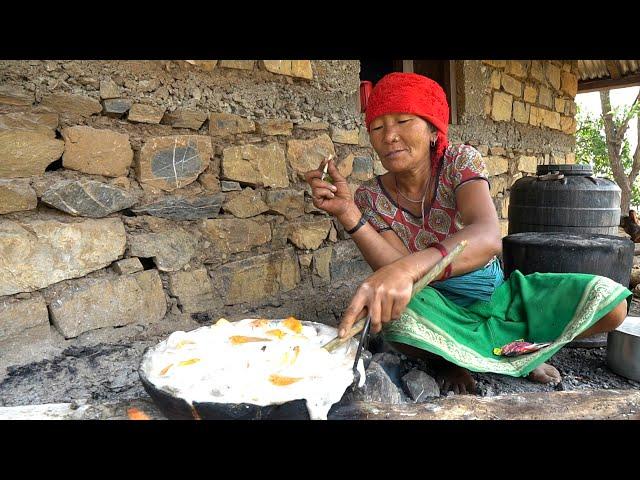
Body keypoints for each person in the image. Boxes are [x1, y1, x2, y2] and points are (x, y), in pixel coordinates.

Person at [305, 72, 630, 394]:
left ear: (433, 130)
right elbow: (394, 267)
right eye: (377, 127)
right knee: (396, 318)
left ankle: (511, 351)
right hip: (435, 306)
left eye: (403, 121)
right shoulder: (370, 197)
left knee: (611, 304)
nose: (389, 136)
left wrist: (405, 268)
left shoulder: (458, 161)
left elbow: (487, 236)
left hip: (496, 298)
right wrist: (349, 214)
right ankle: (469, 358)